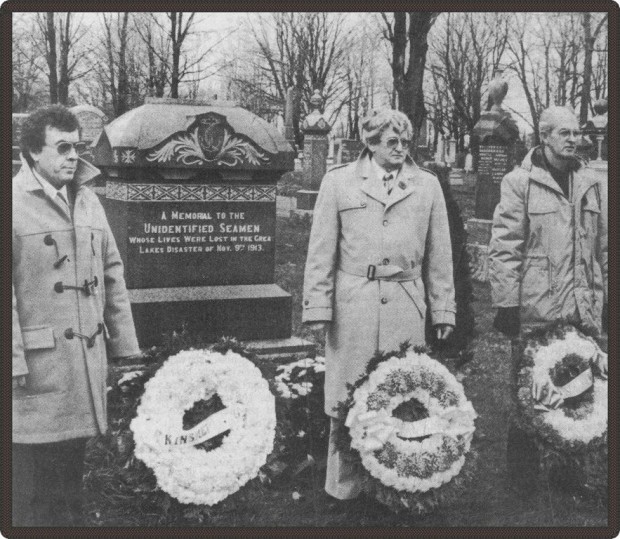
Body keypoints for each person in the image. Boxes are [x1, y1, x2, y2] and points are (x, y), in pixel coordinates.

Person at [302, 108, 456, 501]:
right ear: (370, 144)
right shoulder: (339, 183)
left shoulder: (426, 186)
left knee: (400, 391)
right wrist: (318, 308)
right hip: (353, 303)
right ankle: (344, 487)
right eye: (392, 142)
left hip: (406, 303)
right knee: (346, 394)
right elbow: (321, 252)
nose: (401, 149)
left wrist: (442, 309)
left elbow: (440, 256)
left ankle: (395, 485)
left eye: (406, 141)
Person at [12, 105, 141, 526]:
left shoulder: (88, 201)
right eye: (62, 147)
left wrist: (124, 347)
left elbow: (111, 273)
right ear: (32, 152)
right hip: (36, 369)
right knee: (32, 489)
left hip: (83, 364)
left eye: (78, 147)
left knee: (71, 482)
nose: (73, 157)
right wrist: (13, 360)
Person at [488, 105, 608, 488]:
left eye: (576, 132)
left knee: (577, 391)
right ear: (544, 137)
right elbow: (505, 247)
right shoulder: (519, 182)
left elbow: (603, 248)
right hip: (536, 306)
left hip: (581, 306)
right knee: (530, 390)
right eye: (564, 133)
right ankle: (521, 477)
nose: (574, 139)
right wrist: (506, 303)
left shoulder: (592, 182)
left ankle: (568, 476)